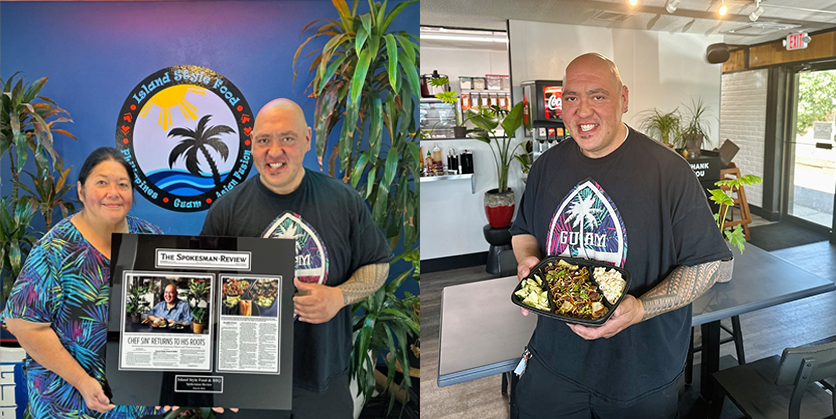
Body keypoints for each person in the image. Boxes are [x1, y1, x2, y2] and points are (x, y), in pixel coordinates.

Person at [509, 53, 733, 418]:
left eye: (597, 96)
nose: (582, 111)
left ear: (624, 98)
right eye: (571, 97)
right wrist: (527, 261)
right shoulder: (546, 167)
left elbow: (707, 265)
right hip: (555, 361)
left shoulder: (669, 172)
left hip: (641, 373)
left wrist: (640, 309)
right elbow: (523, 232)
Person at [201, 98, 392, 418]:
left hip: (324, 377)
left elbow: (377, 265)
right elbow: (202, 291)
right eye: (264, 140)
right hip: (248, 381)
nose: (274, 152)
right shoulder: (227, 210)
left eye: (287, 138)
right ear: (252, 144)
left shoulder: (343, 201)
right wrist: (205, 373)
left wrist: (339, 296)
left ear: (306, 139)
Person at [1, 147, 163, 418]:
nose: (113, 192)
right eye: (102, 182)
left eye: (122, 184)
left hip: (133, 405)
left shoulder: (149, 237)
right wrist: (82, 381)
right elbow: (23, 325)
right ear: (81, 191)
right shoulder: (55, 250)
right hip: (68, 404)